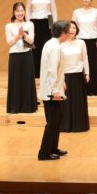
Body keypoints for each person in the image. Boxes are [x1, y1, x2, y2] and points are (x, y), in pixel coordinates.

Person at [38, 21, 68, 160]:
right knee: (52, 122)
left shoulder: (50, 43)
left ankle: (53, 148)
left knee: (56, 121)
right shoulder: (55, 47)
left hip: (53, 88)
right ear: (62, 33)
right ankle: (44, 152)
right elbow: (52, 70)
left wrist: (62, 83)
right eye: (67, 31)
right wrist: (56, 89)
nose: (69, 34)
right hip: (51, 91)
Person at [5, 2, 37, 114]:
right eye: (17, 11)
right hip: (14, 55)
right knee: (15, 80)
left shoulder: (30, 24)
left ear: (25, 12)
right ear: (14, 12)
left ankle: (28, 107)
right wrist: (18, 35)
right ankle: (15, 107)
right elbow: (9, 42)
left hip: (27, 55)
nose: (20, 13)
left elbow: (31, 41)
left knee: (27, 80)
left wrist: (24, 35)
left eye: (22, 10)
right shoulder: (9, 26)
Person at [72, 0, 97, 96]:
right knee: (81, 65)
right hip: (80, 41)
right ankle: (82, 90)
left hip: (94, 41)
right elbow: (73, 27)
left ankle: (94, 89)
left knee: (93, 64)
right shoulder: (76, 12)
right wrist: (72, 40)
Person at [60, 22, 90, 133]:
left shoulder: (81, 43)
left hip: (78, 75)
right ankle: (66, 126)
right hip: (65, 76)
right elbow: (59, 63)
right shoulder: (61, 44)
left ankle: (79, 125)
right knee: (66, 103)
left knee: (78, 102)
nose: (71, 30)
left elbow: (85, 58)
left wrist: (87, 73)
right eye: (69, 28)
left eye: (73, 28)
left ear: (76, 30)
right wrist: (61, 79)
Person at [26, 0, 57, 73]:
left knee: (46, 46)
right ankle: (34, 72)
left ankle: (45, 71)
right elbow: (28, 10)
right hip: (33, 22)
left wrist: (54, 26)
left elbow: (53, 10)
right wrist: (27, 24)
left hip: (47, 21)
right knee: (34, 46)